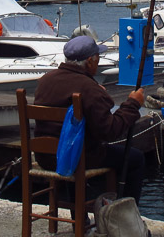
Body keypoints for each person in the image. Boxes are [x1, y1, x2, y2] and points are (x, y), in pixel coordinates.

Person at [33, 35, 146, 205]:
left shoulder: (45, 81)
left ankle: (77, 218)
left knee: (78, 145)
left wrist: (95, 90)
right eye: (97, 58)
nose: (98, 62)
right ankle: (126, 216)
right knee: (135, 159)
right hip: (75, 158)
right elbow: (110, 132)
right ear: (90, 61)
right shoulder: (88, 87)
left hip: (46, 156)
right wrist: (132, 104)